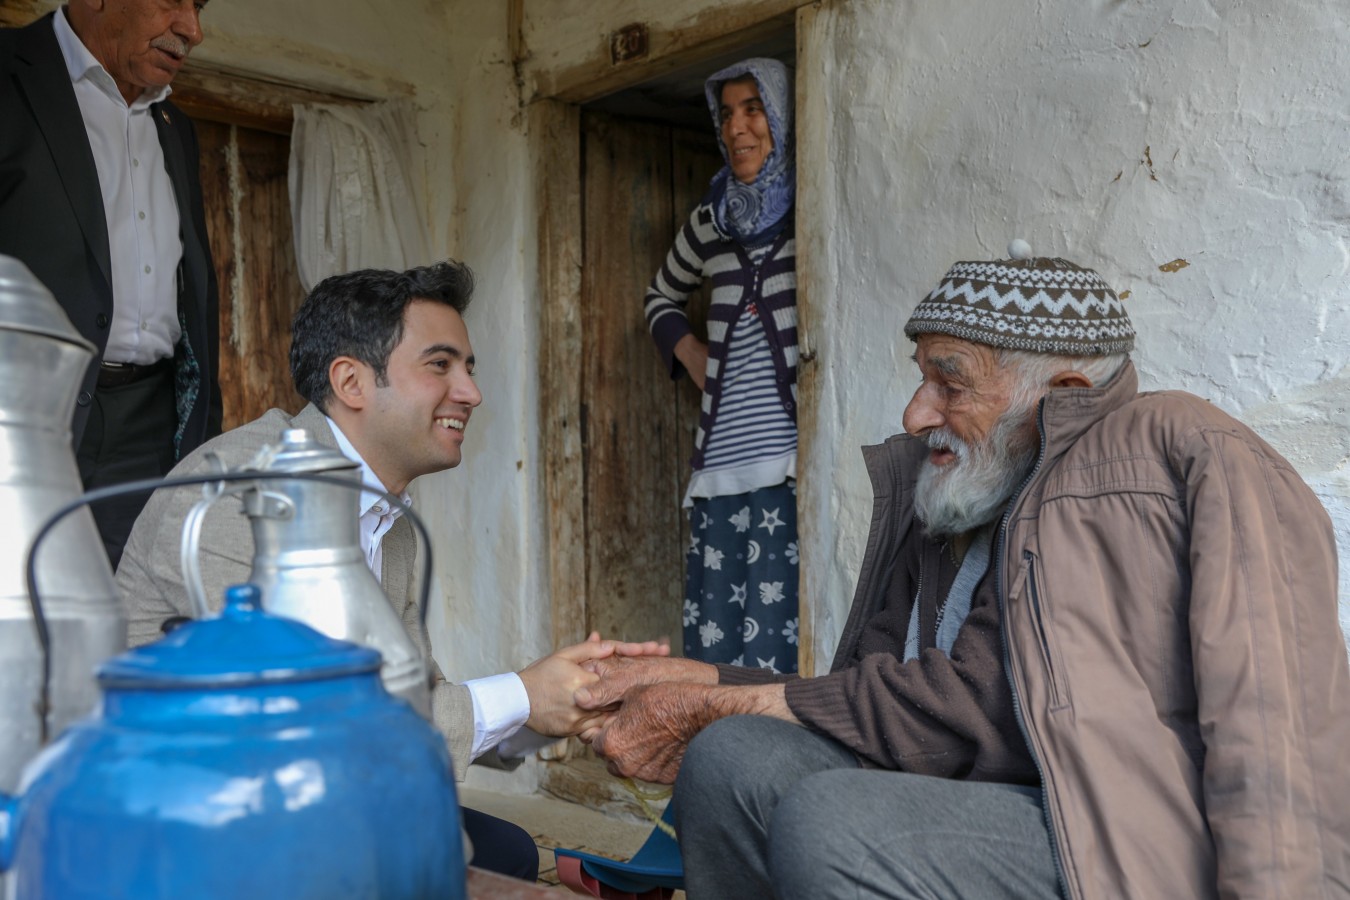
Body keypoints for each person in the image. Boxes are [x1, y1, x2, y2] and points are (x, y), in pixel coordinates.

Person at [579, 247, 1350, 899]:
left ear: (1063, 394)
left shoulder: (1178, 452)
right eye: (923, 379)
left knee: (837, 823)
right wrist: (703, 689)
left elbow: (1273, 722)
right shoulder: (959, 491)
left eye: (950, 383)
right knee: (733, 758)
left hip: (1117, 843)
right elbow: (889, 698)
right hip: (985, 804)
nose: (917, 414)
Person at [116, 262, 667, 882]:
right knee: (468, 856)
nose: (470, 392)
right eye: (440, 365)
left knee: (503, 849)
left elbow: (412, 704)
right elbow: (307, 723)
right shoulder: (245, 488)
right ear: (351, 381)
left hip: (312, 795)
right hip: (196, 811)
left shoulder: (387, 518)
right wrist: (521, 693)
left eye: (469, 367)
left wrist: (568, 701)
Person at [0, 0, 222, 570]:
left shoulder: (176, 128)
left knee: (134, 627)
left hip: (147, 425)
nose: (192, 30)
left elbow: (192, 290)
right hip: (20, 422)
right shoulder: (9, 75)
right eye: (174, 1)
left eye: (200, 7)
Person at [643, 57, 800, 672]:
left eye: (753, 109)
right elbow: (660, 295)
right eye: (727, 113)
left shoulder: (808, 215)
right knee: (714, 638)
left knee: (775, 645)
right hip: (719, 467)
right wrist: (691, 351)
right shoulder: (710, 222)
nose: (738, 128)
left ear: (780, 119)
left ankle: (767, 762)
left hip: (787, 465)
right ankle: (712, 756)